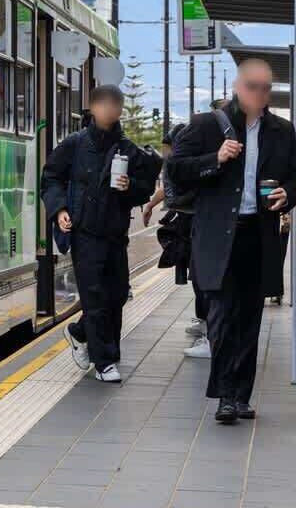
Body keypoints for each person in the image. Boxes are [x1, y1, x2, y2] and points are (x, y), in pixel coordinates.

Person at [168, 59, 296, 424]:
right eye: (252, 85)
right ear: (238, 88)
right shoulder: (206, 125)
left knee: (250, 319)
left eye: (265, 87)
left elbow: (295, 176)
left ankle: (241, 396)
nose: (259, 93)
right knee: (222, 316)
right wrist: (216, 158)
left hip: (259, 234)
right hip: (217, 236)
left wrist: (288, 192)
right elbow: (176, 168)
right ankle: (225, 394)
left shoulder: (282, 131)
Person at [41, 85, 161, 382]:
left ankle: (79, 332)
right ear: (93, 108)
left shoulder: (128, 149)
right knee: (94, 297)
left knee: (118, 294)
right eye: (104, 105)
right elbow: (51, 177)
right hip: (85, 232)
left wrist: (129, 187)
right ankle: (104, 361)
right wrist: (59, 210)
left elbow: (144, 189)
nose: (110, 110)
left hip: (115, 233)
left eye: (115, 106)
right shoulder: (75, 144)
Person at [149, 123, 210, 358]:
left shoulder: (193, 165)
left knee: (202, 279)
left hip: (198, 227)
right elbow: (168, 190)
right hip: (190, 226)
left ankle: (210, 335)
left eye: (169, 150)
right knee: (197, 278)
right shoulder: (184, 163)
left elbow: (176, 193)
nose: (167, 155)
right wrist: (152, 204)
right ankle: (205, 326)